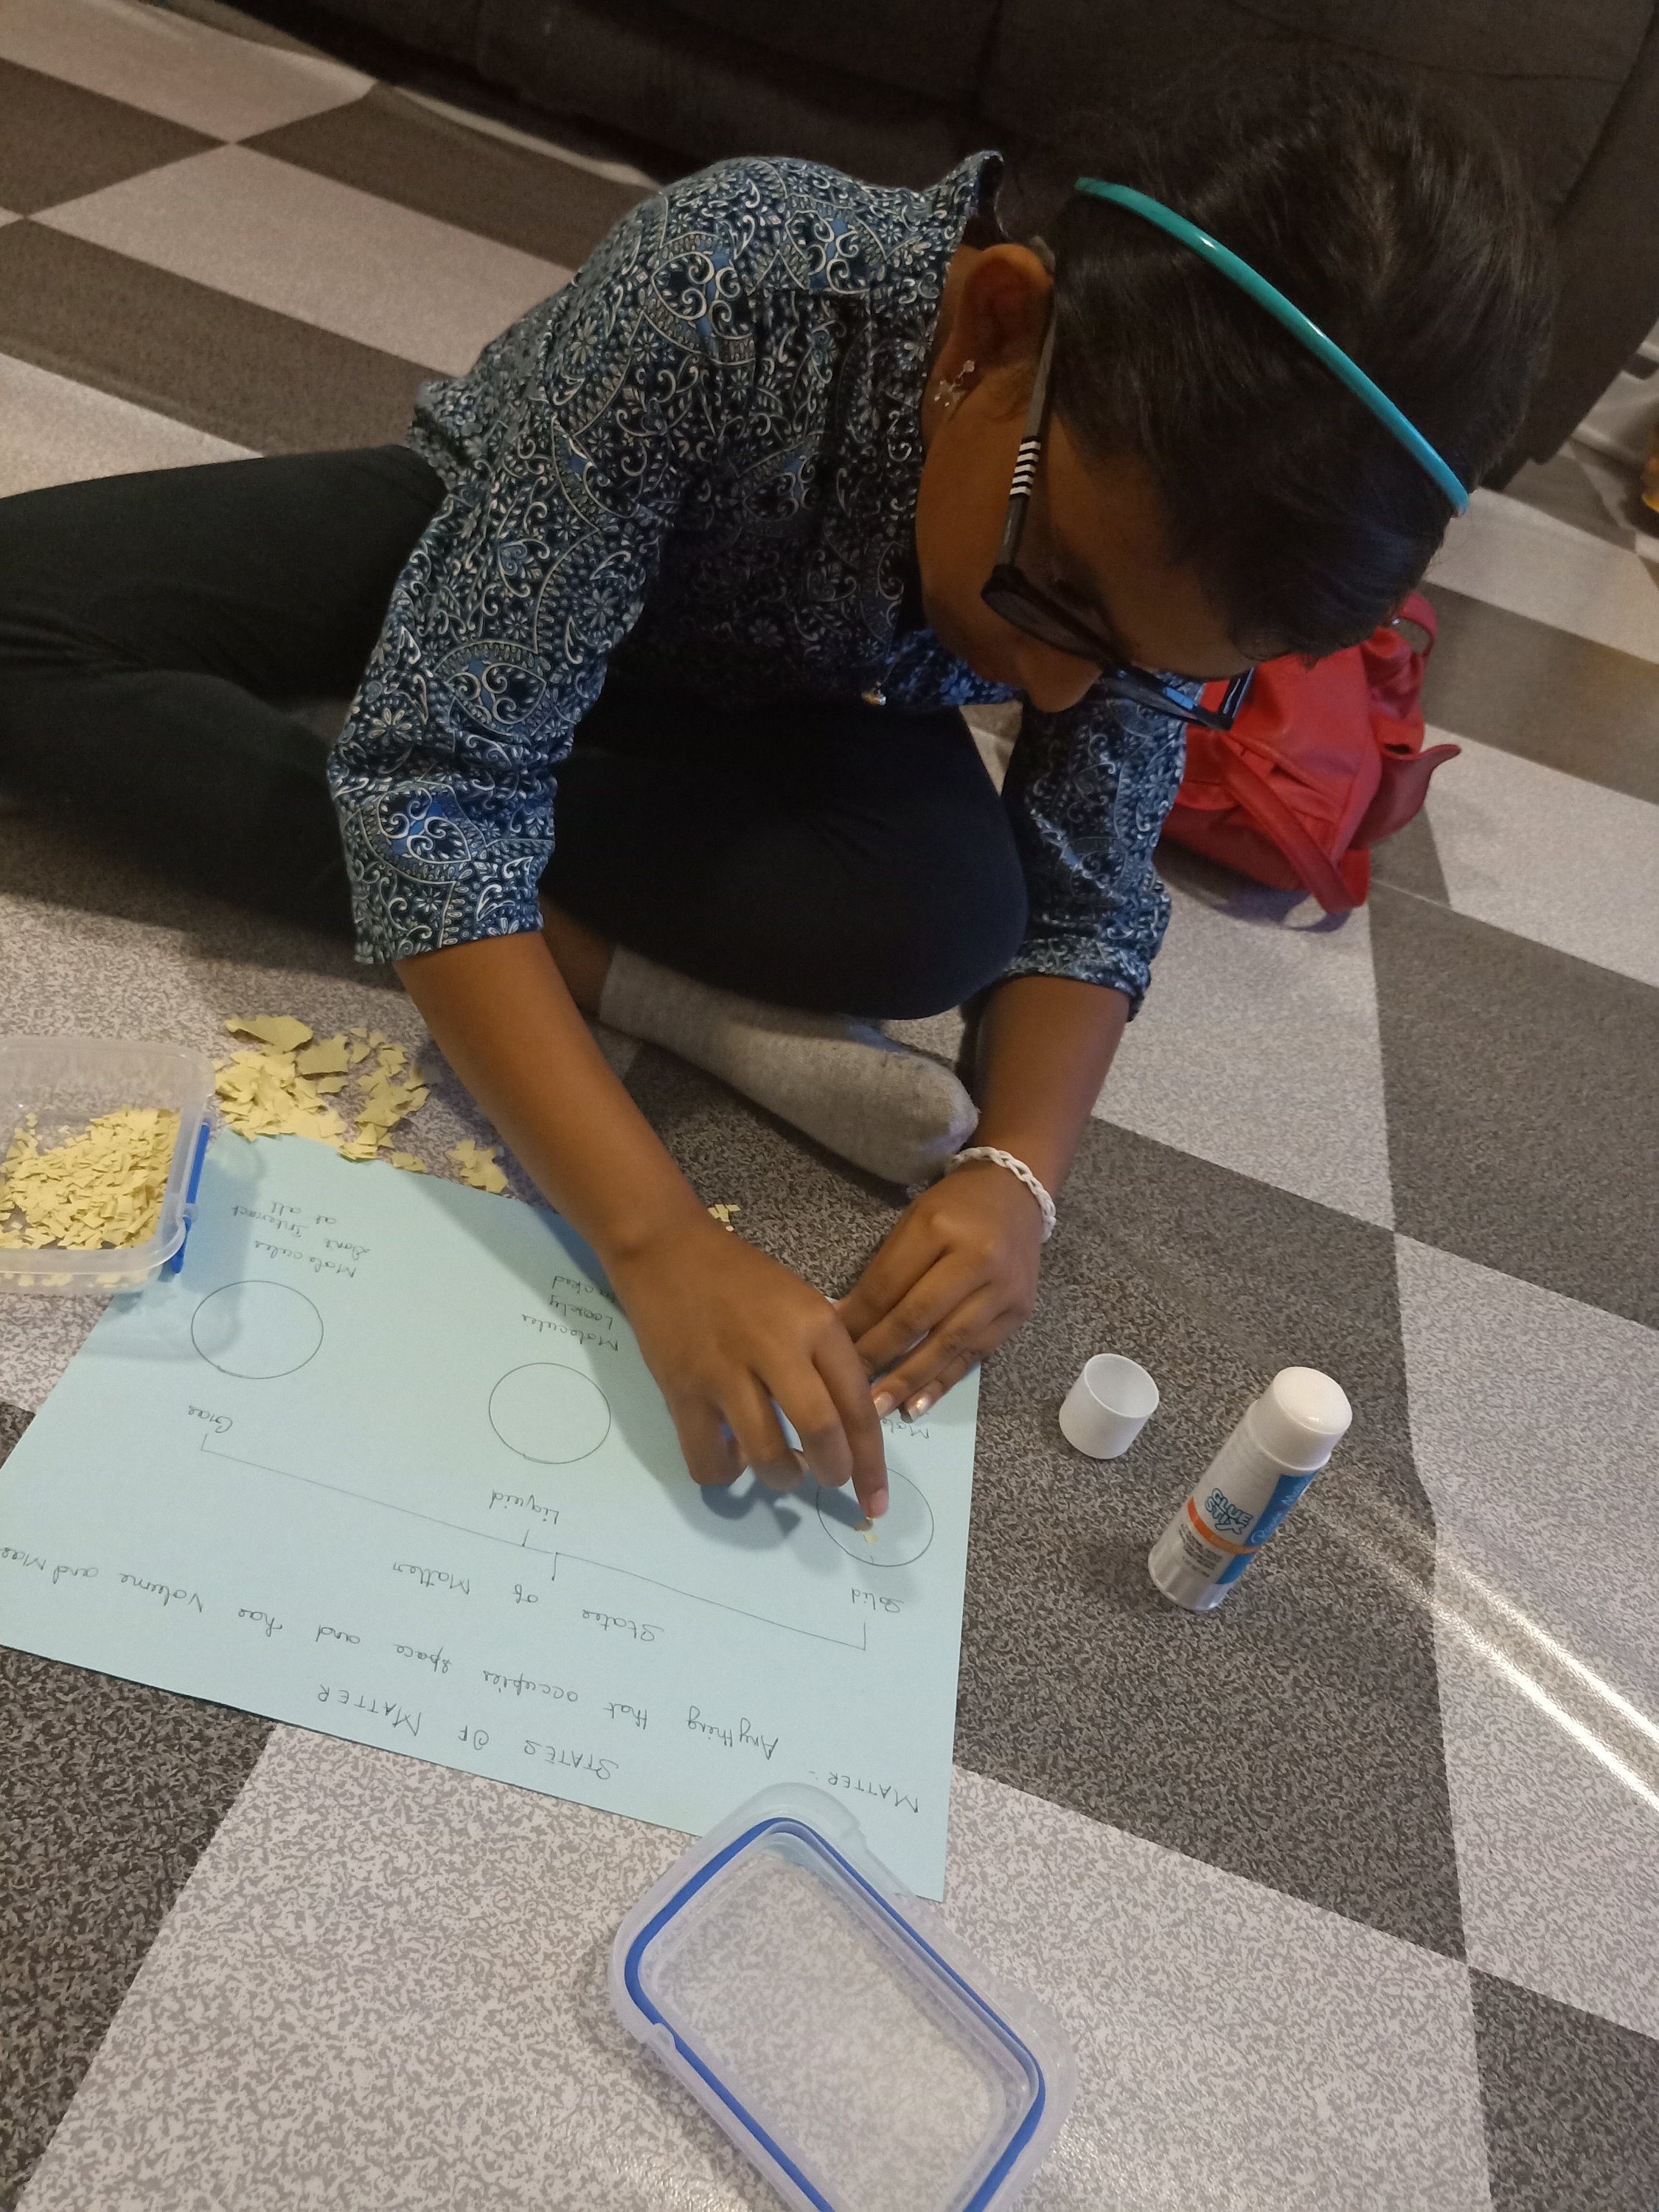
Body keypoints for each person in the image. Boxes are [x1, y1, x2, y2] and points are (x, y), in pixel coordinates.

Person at [0, 59, 1551, 1522]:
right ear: (994, 328)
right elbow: (443, 785)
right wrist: (655, 1236)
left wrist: (1016, 1176)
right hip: (497, 539)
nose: (1057, 694)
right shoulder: (738, 272)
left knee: (947, 917)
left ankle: (520, 901)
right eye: (1060, 595)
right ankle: (572, 926)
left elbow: (1084, 892)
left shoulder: (1130, 569)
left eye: (1147, 669)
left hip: (784, 697)